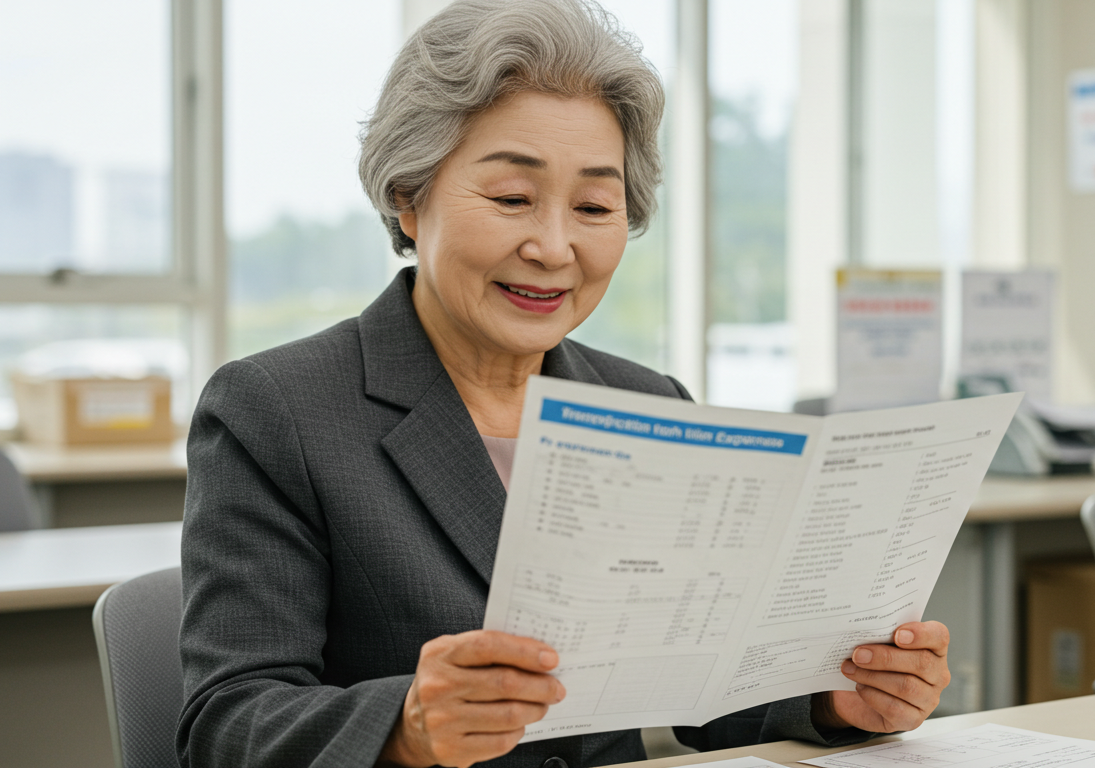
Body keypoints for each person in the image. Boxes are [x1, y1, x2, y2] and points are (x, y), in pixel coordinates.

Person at [178, 2, 952, 767]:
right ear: (409, 199)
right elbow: (227, 724)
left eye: (593, 206)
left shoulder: (650, 407)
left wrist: (833, 697)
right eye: (513, 199)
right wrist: (406, 726)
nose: (553, 247)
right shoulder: (276, 412)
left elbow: (703, 690)